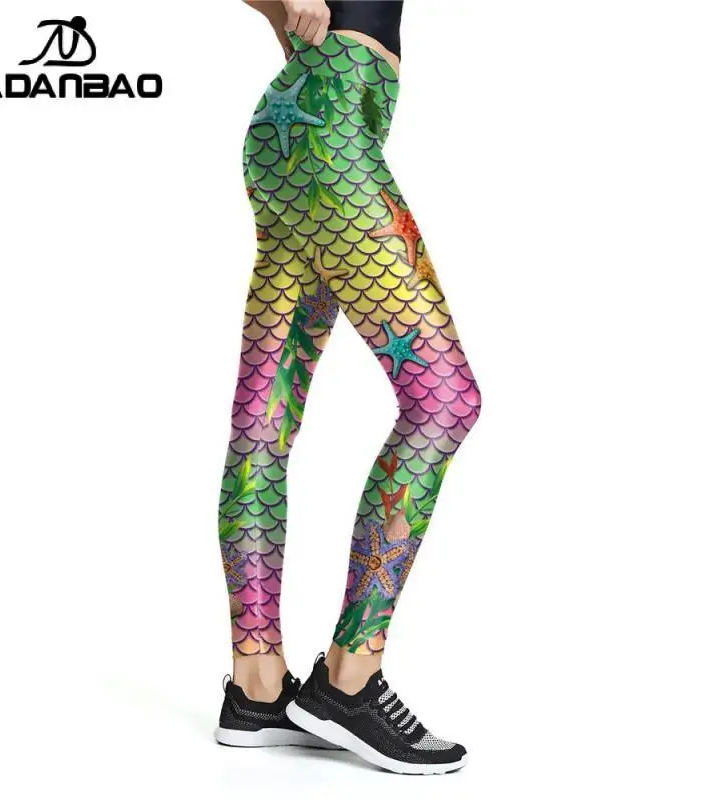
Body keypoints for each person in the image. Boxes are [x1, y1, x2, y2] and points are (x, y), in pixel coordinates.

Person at [215, 0, 480, 774]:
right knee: (445, 401)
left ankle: (257, 691)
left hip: (300, 129)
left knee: (263, 426)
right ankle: (349, 682)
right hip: (330, 137)